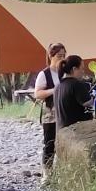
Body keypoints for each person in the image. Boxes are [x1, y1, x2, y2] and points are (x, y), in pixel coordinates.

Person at [32, 43, 66, 176]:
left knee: (64, 142)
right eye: (59, 56)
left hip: (64, 112)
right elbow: (38, 94)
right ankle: (47, 173)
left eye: (63, 56)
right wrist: (54, 90)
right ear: (51, 56)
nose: (62, 59)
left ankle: (62, 172)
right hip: (50, 113)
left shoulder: (65, 72)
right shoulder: (44, 74)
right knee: (50, 143)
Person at [53, 55, 94, 130]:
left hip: (61, 129)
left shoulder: (58, 85)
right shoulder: (76, 84)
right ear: (74, 69)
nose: (83, 72)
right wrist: (94, 97)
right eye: (82, 69)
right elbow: (87, 103)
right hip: (75, 130)